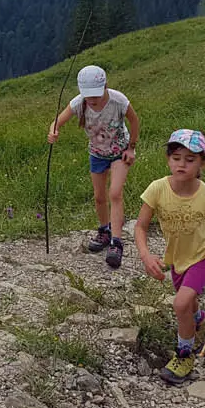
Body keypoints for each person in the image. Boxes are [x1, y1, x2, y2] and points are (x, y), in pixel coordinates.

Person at [134, 129, 205, 385]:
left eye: (190, 159)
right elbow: (140, 226)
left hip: (203, 257)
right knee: (188, 304)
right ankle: (199, 321)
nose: (182, 164)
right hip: (176, 258)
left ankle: (184, 356)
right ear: (168, 160)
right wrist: (146, 255)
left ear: (202, 163)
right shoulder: (157, 189)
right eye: (176, 158)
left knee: (180, 303)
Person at [48, 65, 140, 268]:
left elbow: (134, 121)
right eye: (88, 96)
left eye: (96, 95)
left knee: (115, 193)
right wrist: (54, 131)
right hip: (97, 154)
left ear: (105, 86)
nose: (92, 100)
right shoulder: (79, 103)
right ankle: (104, 231)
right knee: (99, 196)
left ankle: (117, 242)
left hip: (119, 152)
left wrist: (131, 148)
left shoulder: (118, 101)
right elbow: (58, 121)